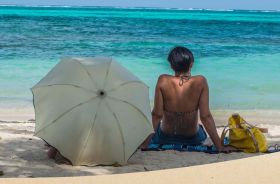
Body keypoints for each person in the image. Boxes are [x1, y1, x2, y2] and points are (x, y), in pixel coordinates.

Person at [142, 46, 235, 153]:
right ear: (191, 64)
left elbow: (157, 115)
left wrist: (145, 144)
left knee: (159, 128)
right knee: (200, 128)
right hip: (192, 139)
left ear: (172, 66)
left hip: (165, 137)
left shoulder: (163, 80)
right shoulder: (200, 81)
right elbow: (205, 116)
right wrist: (219, 147)